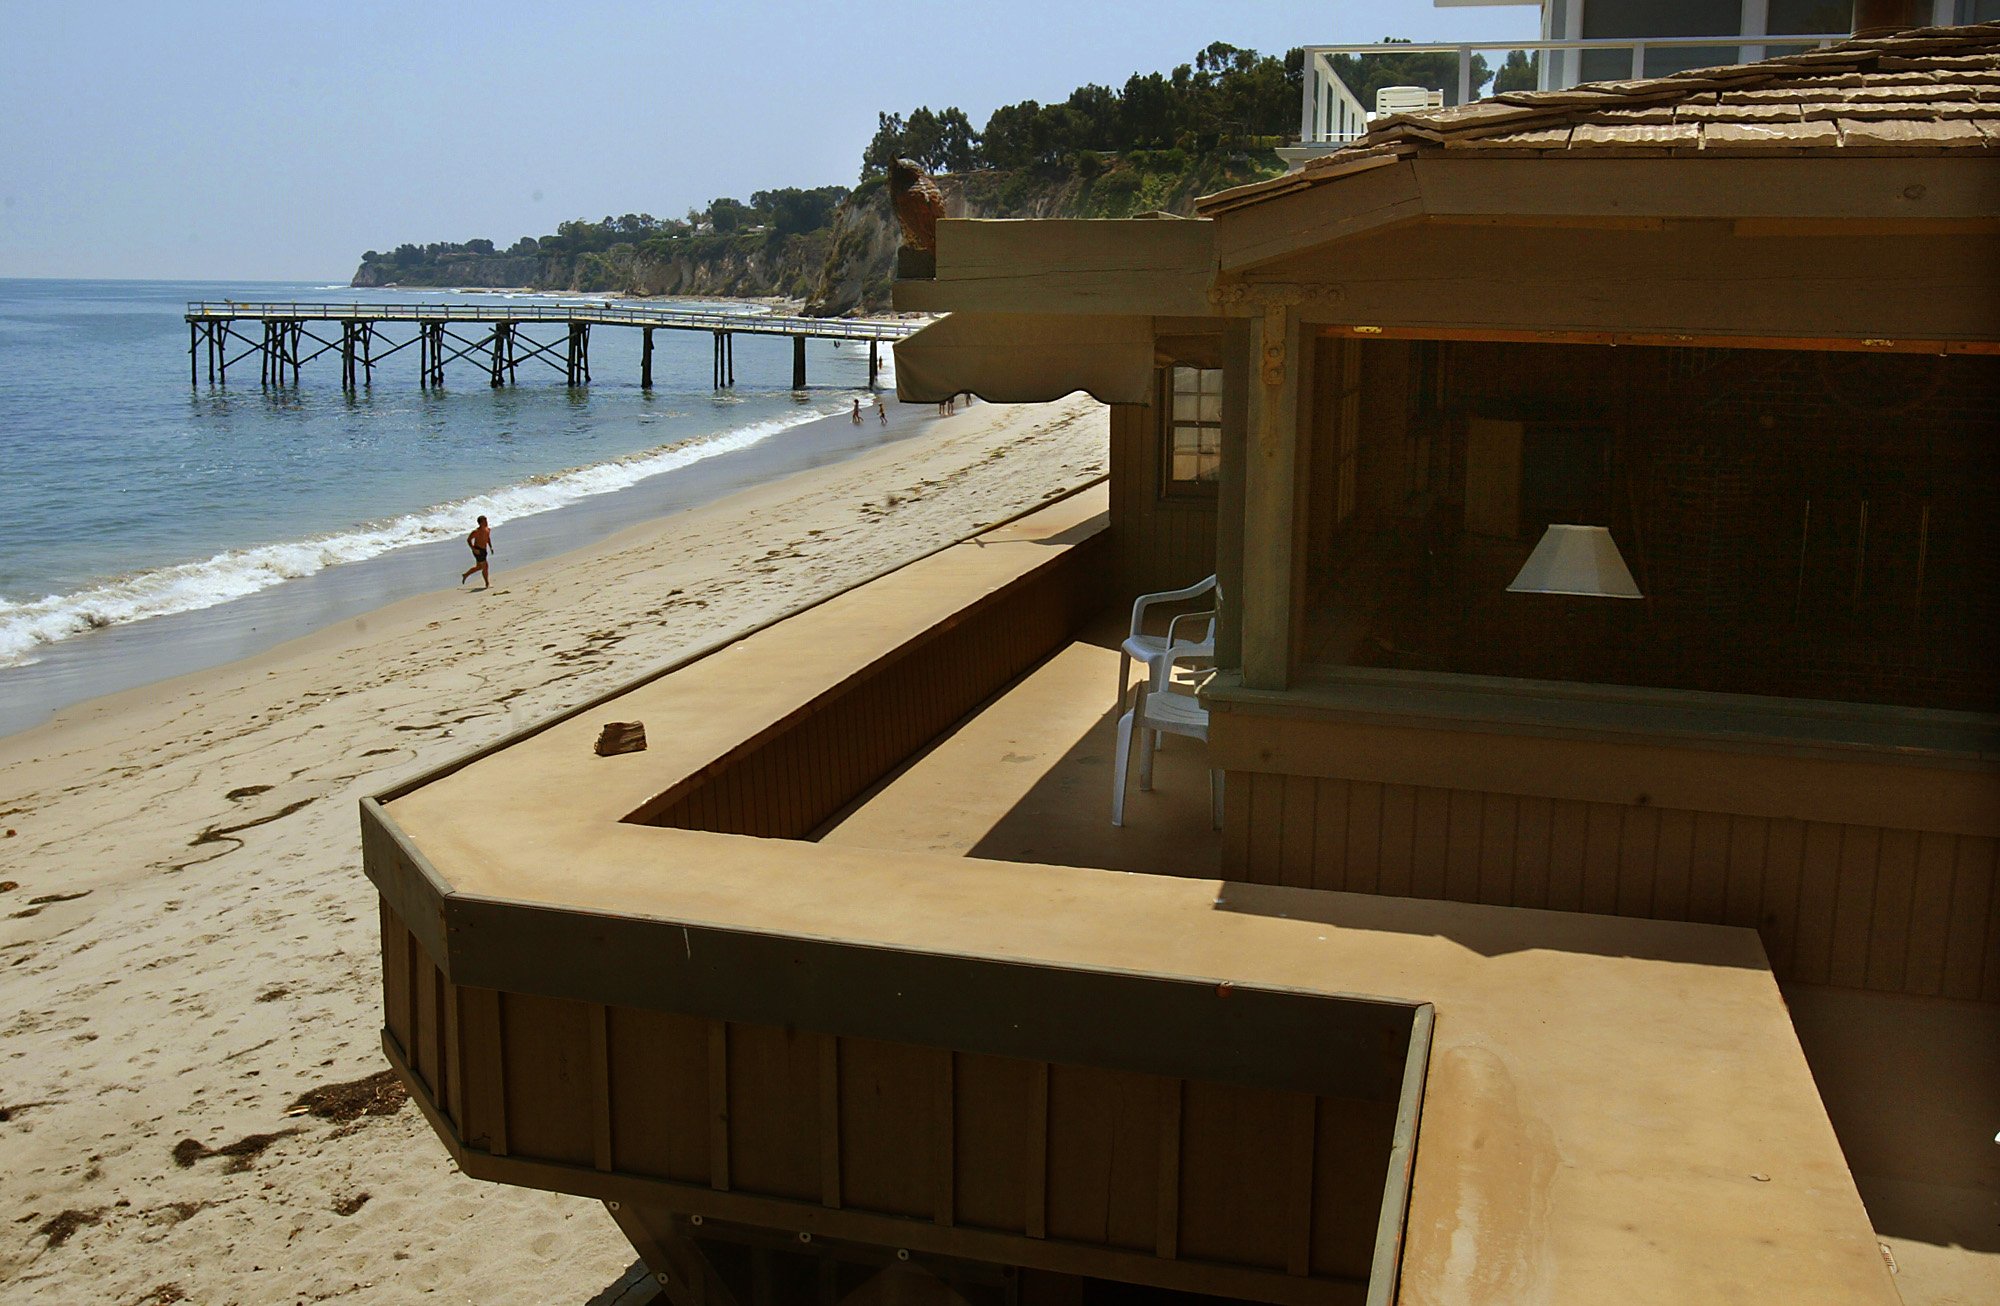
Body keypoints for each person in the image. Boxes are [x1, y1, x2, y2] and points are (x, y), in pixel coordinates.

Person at [460, 515, 494, 588]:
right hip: (478, 550)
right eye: (485, 521)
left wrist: (490, 547)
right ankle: (487, 583)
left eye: (486, 520)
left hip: (484, 550)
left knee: (479, 567)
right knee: (485, 566)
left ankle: (465, 574)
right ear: (480, 523)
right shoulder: (476, 532)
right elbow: (469, 540)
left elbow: (488, 538)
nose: (486, 522)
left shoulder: (488, 529)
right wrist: (473, 549)